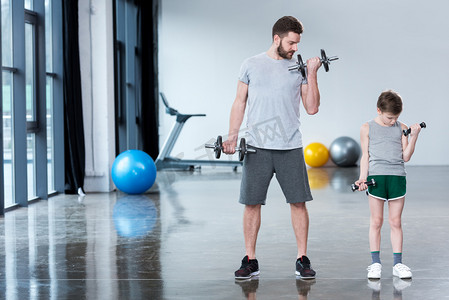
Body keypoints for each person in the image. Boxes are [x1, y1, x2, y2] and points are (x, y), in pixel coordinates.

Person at [222, 16, 322, 280]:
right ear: (276, 38)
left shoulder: (299, 68)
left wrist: (311, 74)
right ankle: (250, 260)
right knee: (252, 203)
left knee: (298, 203)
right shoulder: (251, 65)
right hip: (257, 146)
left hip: (290, 146)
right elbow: (239, 103)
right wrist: (232, 136)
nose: (295, 48)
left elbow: (311, 107)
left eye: (298, 43)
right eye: (291, 42)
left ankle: (302, 258)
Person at [354, 90, 422, 280]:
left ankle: (398, 264)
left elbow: (406, 156)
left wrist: (414, 136)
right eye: (390, 117)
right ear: (379, 110)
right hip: (376, 177)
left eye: (396, 118)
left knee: (395, 222)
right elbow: (365, 155)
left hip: (397, 177)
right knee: (376, 221)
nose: (393, 121)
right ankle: (375, 263)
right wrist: (362, 177)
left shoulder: (402, 127)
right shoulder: (366, 127)